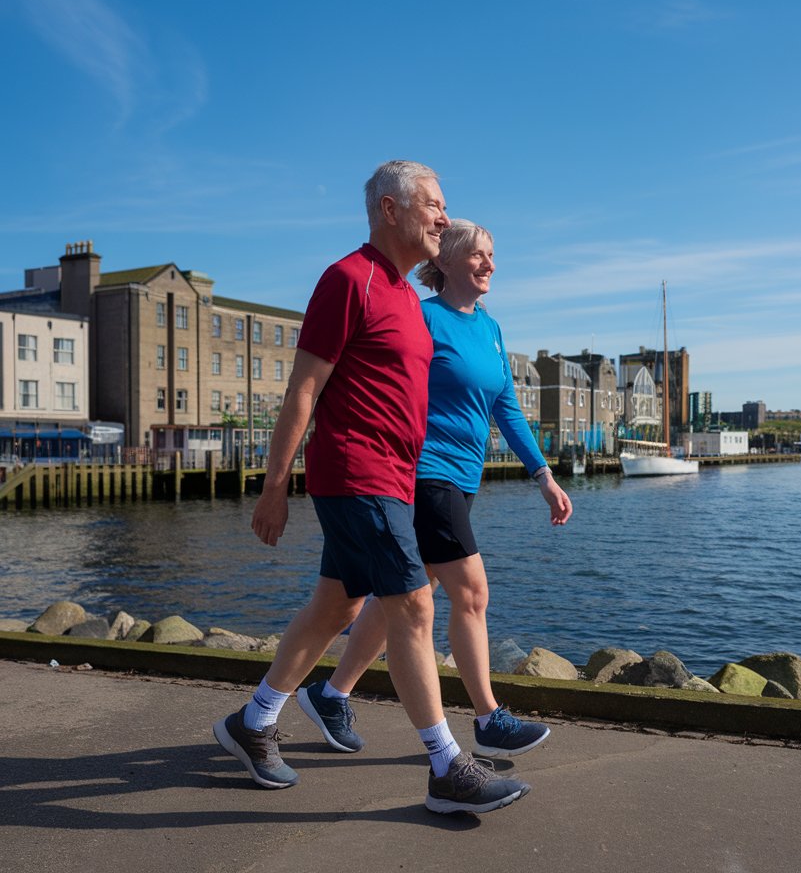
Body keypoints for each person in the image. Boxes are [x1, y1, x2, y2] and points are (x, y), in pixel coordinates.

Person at [213, 163, 530, 815]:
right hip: (357, 474)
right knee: (414, 604)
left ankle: (254, 720)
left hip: (398, 478)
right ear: (392, 209)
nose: (445, 217)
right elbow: (304, 388)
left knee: (338, 607)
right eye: (435, 206)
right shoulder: (347, 280)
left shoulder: (408, 299)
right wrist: (276, 485)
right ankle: (447, 766)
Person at [297, 218, 573, 761]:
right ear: (444, 261)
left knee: (400, 596)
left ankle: (330, 694)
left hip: (463, 477)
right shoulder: (420, 318)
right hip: (423, 473)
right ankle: (488, 717)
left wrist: (543, 475)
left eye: (493, 254)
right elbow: (379, 384)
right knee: (471, 592)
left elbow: (505, 408)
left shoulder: (490, 328)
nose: (490, 263)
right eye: (478, 254)